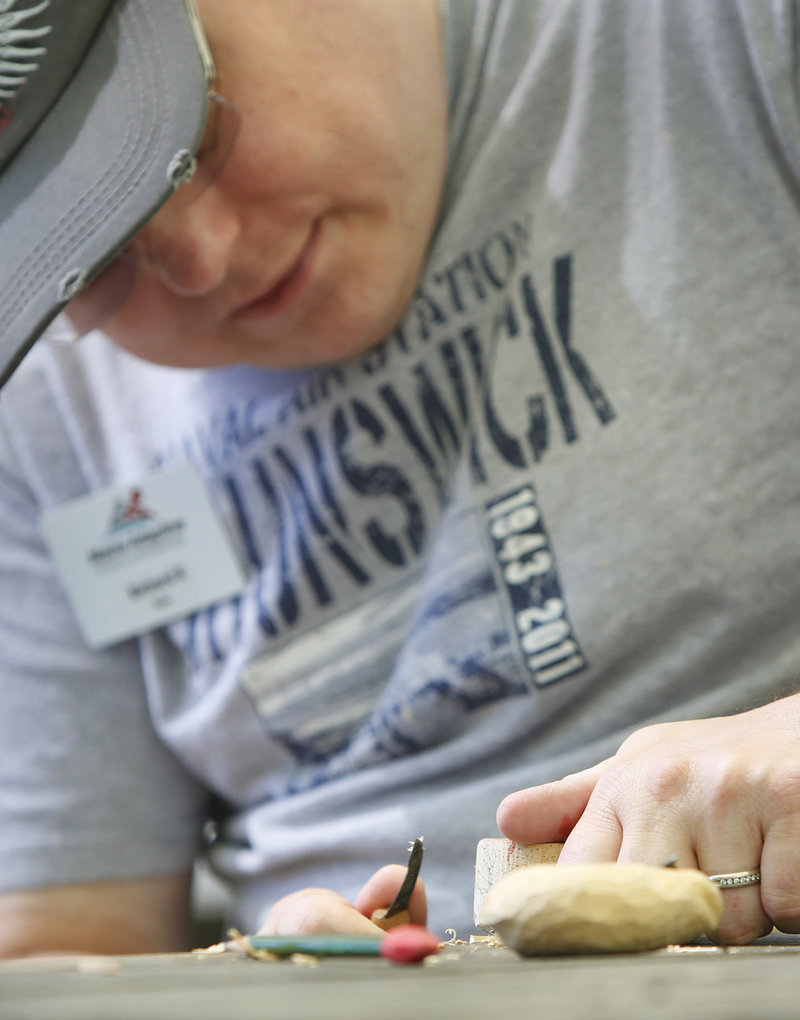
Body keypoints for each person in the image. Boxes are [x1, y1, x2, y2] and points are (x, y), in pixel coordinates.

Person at [1, 0, 799, 957]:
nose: (203, 259)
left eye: (202, 131)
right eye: (93, 254)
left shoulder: (719, 38)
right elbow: (70, 949)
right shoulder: (41, 412)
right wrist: (254, 971)